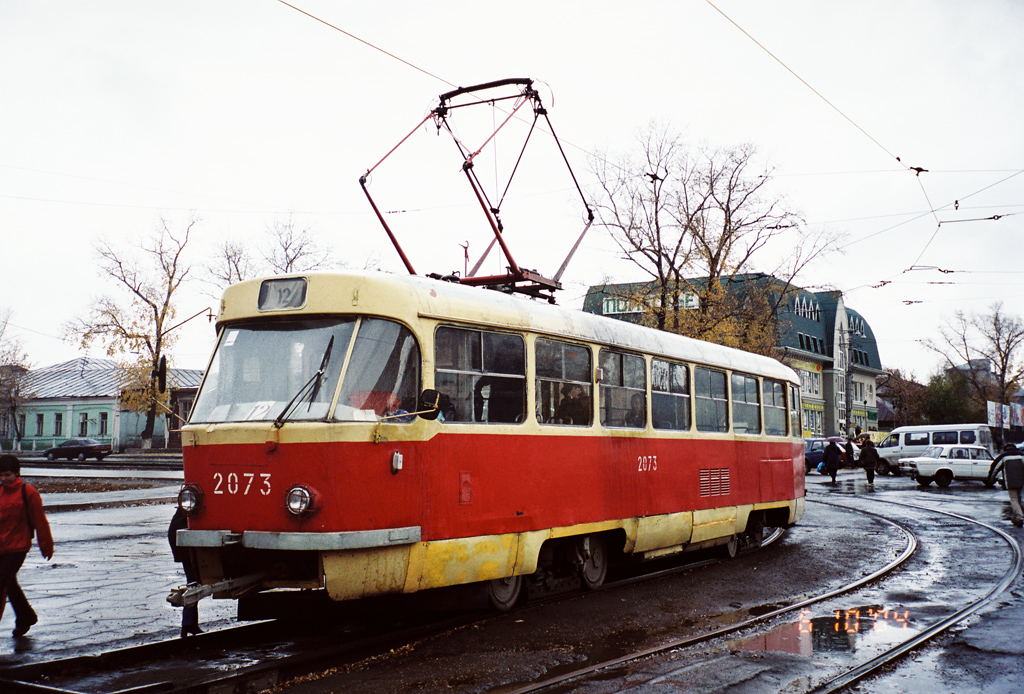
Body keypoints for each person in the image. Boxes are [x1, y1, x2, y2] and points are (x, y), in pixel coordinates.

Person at [0, 454, 54, 638]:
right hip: (1, 547)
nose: (3, 479)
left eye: (7, 475)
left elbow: (40, 521)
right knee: (9, 583)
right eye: (0, 475)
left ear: (16, 473)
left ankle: (25, 617)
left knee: (1, 582)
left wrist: (46, 546)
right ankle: (26, 616)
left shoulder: (28, 492)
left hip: (18, 547)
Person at [168, 507, 202, 636]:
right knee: (193, 582)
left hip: (181, 537)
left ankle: (190, 624)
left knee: (194, 581)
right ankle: (188, 624)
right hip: (184, 539)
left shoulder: (189, 500)